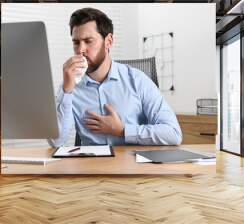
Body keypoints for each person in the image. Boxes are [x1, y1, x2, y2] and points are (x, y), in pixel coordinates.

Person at [48, 7, 182, 147]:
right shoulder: (69, 88)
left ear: (109, 41)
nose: (80, 49)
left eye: (88, 41)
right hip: (90, 166)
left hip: (132, 165)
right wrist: (66, 90)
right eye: (76, 42)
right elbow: (56, 142)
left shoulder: (138, 80)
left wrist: (123, 130)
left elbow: (173, 133)